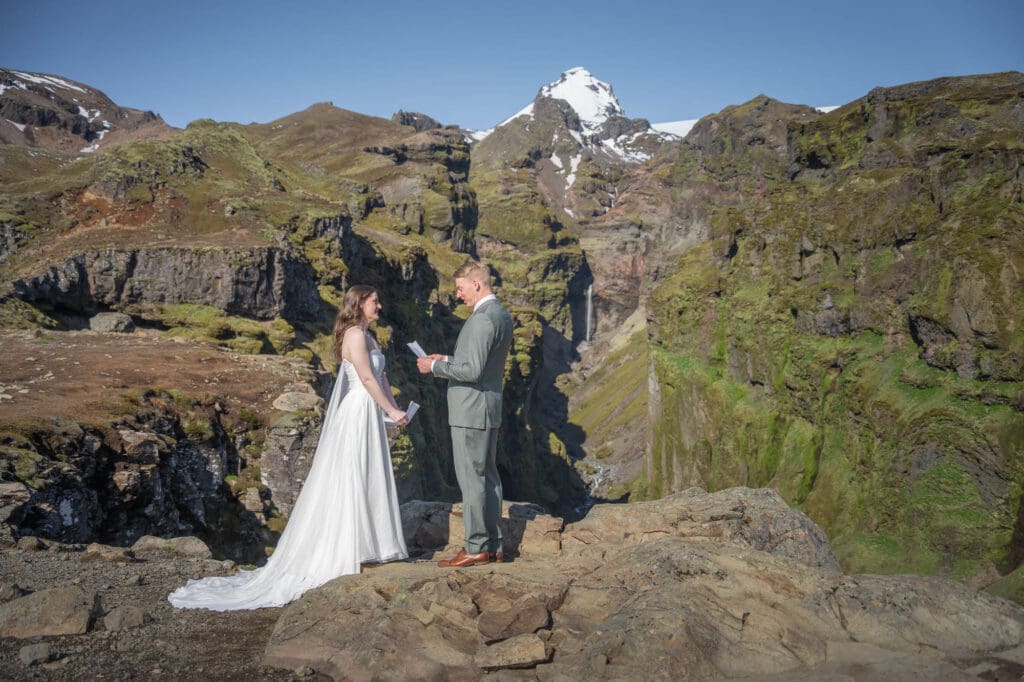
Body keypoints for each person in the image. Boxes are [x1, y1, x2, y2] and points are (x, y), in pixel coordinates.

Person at [168, 285, 409, 610]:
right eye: (374, 301)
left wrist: (395, 410)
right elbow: (365, 379)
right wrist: (388, 409)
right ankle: (345, 546)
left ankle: (370, 543)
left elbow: (381, 378)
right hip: (358, 411)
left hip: (371, 409)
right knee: (352, 473)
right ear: (360, 304)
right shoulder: (354, 335)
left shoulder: (369, 336)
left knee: (369, 472)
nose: (379, 306)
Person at [417, 259, 513, 567]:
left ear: (476, 284)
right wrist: (446, 358)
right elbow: (480, 362)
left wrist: (434, 366)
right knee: (489, 478)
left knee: (472, 480)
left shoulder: (483, 319)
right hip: (487, 408)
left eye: (460, 288)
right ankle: (494, 545)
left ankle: (475, 546)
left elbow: (472, 371)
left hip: (471, 411)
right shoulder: (500, 314)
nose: (458, 295)